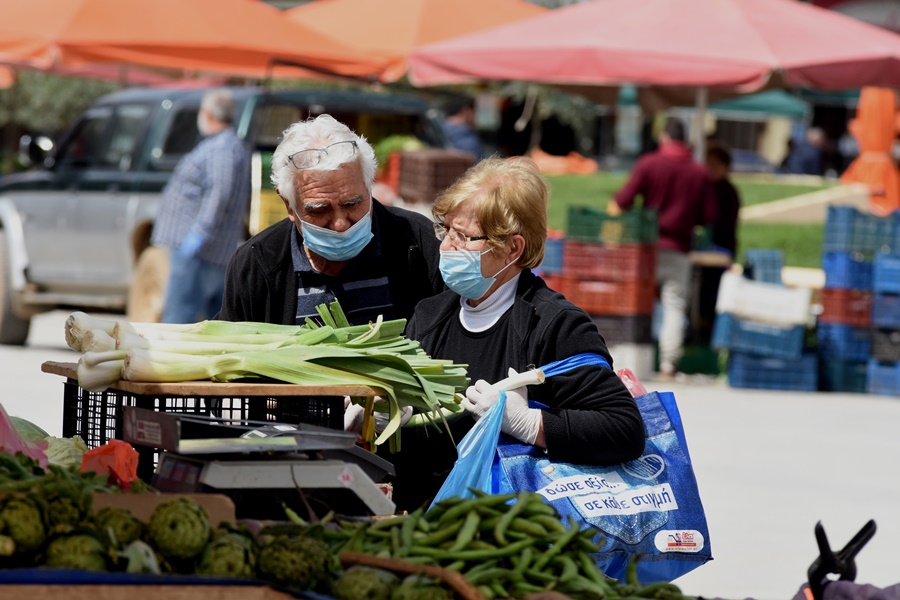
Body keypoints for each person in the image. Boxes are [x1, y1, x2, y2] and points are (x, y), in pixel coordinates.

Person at [386, 157, 646, 512]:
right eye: (446, 229)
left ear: (513, 248)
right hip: (425, 525)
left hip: (508, 529)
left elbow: (624, 430)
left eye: (464, 237)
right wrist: (382, 420)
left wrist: (528, 424)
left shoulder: (555, 325)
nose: (446, 247)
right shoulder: (430, 315)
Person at [217, 114, 444, 326]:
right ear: (289, 205)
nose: (340, 224)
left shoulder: (418, 243)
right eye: (319, 210)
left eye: (352, 204)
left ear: (369, 187)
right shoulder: (257, 264)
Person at [611, 116, 717, 380]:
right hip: (679, 249)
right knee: (674, 306)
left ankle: (632, 362)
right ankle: (669, 366)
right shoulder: (699, 172)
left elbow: (623, 200)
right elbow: (709, 214)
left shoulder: (649, 164)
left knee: (637, 303)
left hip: (646, 251)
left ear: (665, 137)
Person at [152, 89, 251, 324]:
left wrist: (198, 235)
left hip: (201, 253)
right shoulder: (222, 145)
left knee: (179, 320)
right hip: (202, 251)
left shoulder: (222, 148)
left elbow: (220, 194)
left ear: (207, 114)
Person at [695, 142, 741, 345]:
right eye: (708, 163)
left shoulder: (729, 192)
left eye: (715, 163)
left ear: (724, 166)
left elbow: (723, 226)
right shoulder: (706, 188)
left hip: (721, 251)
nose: (710, 167)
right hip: (705, 252)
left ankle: (709, 335)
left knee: (712, 295)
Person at [440, 96, 485, 161]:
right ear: (466, 111)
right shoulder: (468, 139)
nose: (476, 117)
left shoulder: (435, 130)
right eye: (475, 112)